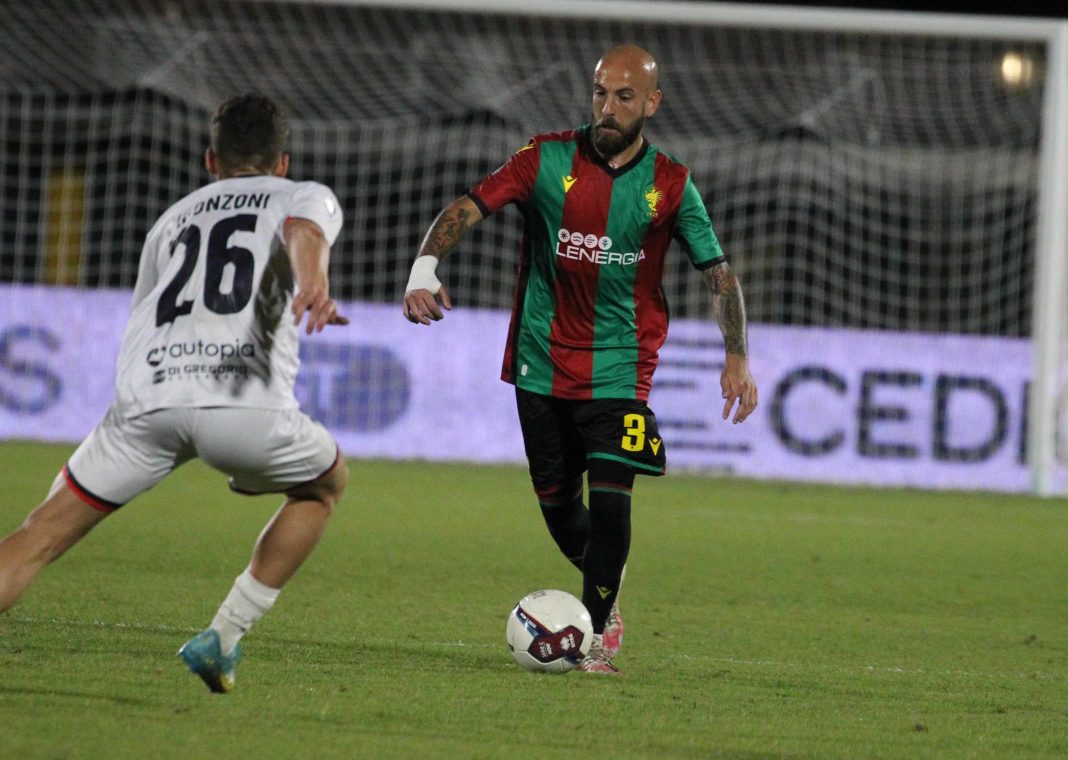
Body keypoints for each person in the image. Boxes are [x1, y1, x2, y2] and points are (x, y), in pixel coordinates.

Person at [403, 45, 758, 674]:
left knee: (613, 499)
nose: (608, 107)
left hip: (622, 366)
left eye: (624, 96)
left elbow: (719, 273)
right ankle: (605, 583)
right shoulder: (543, 159)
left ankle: (593, 637)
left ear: (652, 103)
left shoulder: (671, 184)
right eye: (600, 93)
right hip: (540, 360)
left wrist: (737, 357)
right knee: (558, 508)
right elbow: (465, 209)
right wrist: (423, 269)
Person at [0, 93, 349, 693]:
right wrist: (313, 281)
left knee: (38, 535)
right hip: (244, 407)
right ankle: (224, 637)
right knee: (325, 485)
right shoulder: (302, 194)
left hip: (147, 403)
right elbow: (303, 229)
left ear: (211, 160)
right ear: (282, 163)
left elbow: (143, 320)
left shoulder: (170, 221)